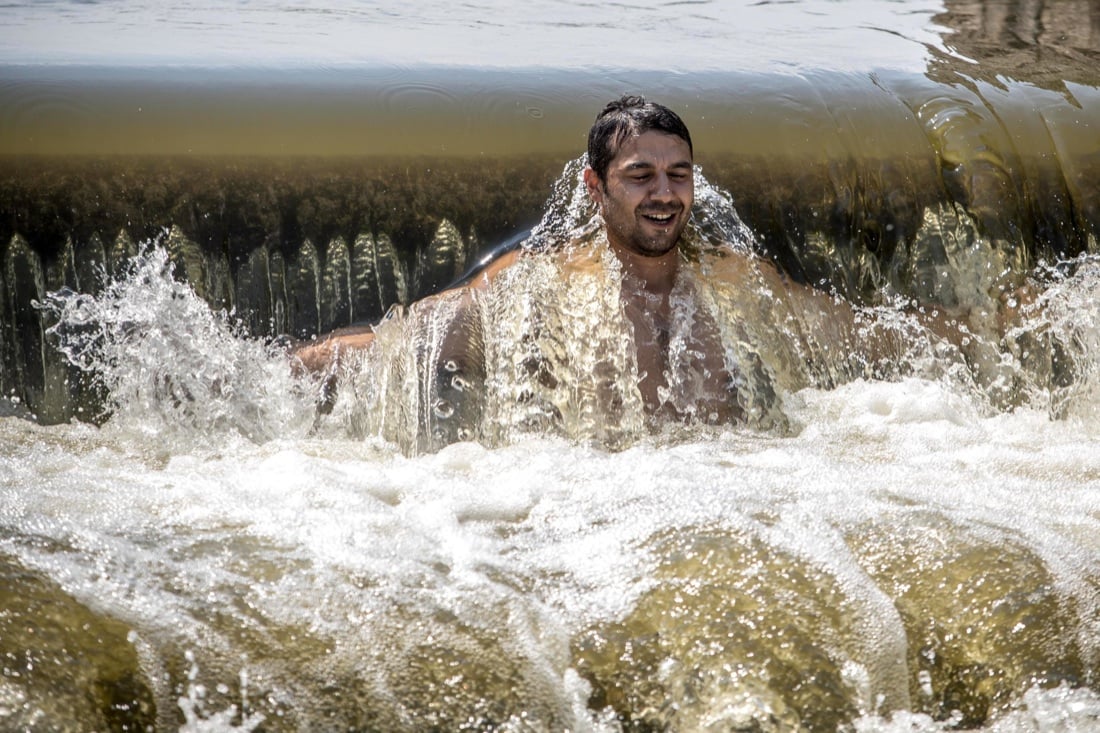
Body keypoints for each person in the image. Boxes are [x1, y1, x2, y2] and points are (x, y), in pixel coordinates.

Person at [293, 95, 998, 427]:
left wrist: (986, 327)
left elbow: (859, 335)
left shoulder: (735, 281)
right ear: (595, 188)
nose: (664, 195)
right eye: (641, 175)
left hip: (752, 506)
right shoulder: (542, 286)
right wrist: (290, 368)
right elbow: (406, 347)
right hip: (613, 518)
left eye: (679, 175)